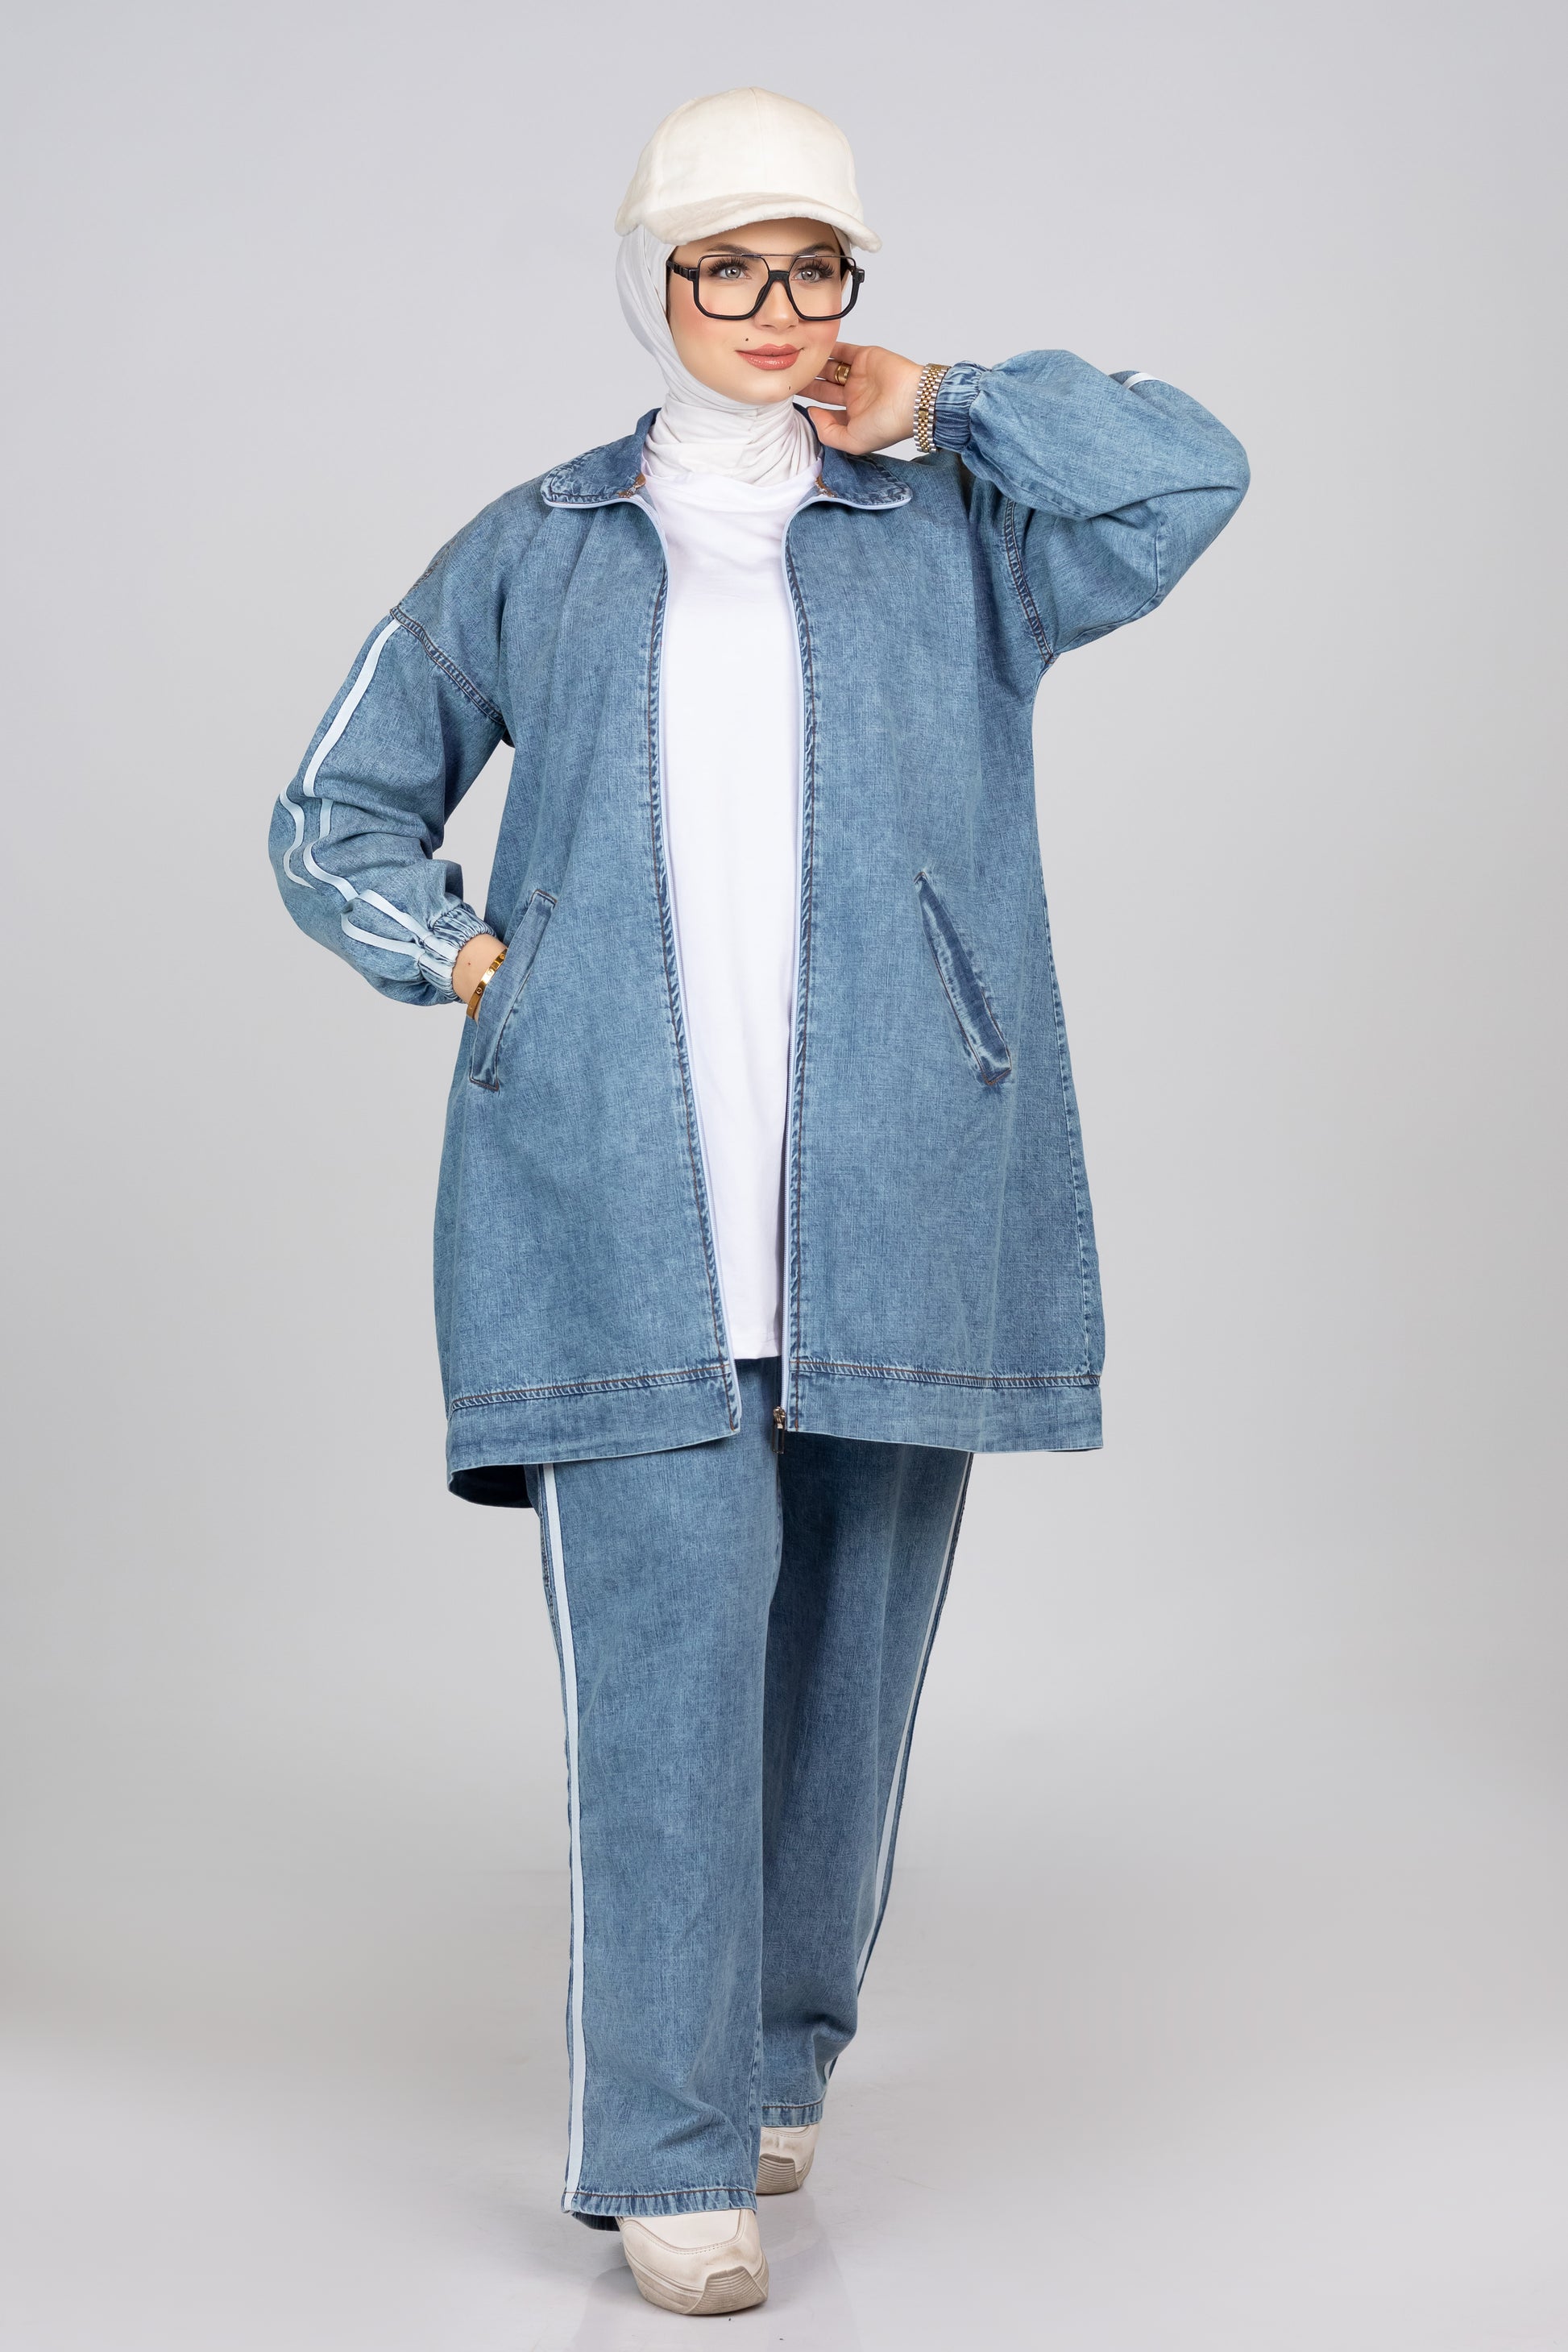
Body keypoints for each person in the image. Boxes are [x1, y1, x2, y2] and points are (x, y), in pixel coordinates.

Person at [270, 85, 1248, 2317]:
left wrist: (956, 399)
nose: (776, 307)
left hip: (902, 1193)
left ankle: (778, 2059)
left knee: (846, 1681)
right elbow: (335, 806)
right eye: (729, 266)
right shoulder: (534, 543)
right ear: (659, 282)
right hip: (610, 1202)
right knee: (664, 1687)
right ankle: (666, 2147)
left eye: (817, 267)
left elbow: (1191, 472)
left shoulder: (964, 533)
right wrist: (469, 965)